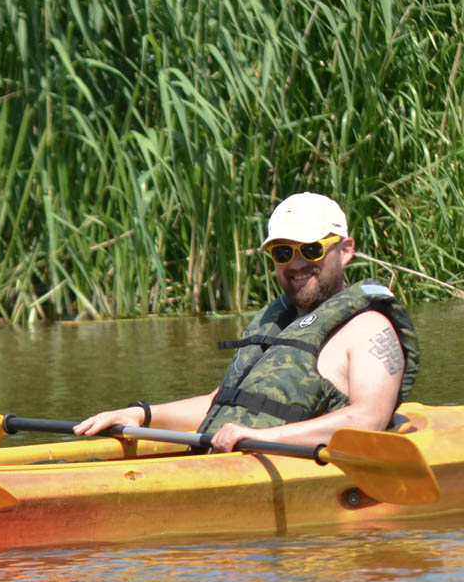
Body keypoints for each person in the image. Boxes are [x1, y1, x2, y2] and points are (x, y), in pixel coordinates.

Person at [74, 192, 419, 452]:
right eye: (283, 253)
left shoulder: (369, 327)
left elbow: (368, 420)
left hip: (290, 465)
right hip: (227, 459)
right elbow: (226, 404)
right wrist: (141, 414)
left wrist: (261, 437)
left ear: (345, 250)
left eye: (310, 250)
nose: (296, 264)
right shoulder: (279, 323)